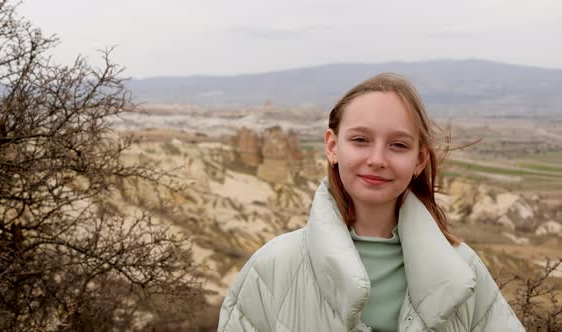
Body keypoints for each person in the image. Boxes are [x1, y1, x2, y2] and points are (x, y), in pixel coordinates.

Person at [218, 73, 525, 332]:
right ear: (332, 146)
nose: (377, 160)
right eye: (361, 140)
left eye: (398, 145)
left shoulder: (462, 272)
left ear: (419, 160)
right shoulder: (273, 269)